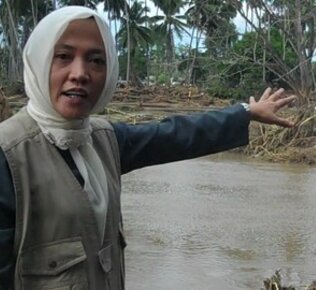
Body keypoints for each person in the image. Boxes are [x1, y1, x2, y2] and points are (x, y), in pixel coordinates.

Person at [0, 6, 295, 290]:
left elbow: (173, 136)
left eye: (96, 60)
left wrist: (246, 113)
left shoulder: (102, 140)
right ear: (38, 62)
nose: (80, 73)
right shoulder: (8, 157)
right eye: (63, 56)